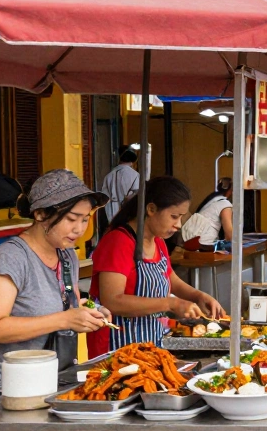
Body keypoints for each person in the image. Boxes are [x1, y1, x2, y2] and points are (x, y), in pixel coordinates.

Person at [0, 170, 112, 408]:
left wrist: (92, 311)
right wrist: (65, 320)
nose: (79, 229)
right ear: (40, 214)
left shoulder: (67, 255)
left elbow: (71, 302)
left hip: (50, 384)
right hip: (0, 391)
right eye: (71, 219)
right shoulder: (10, 258)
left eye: (85, 219)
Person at [91, 176, 223, 356]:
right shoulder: (118, 242)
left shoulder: (158, 242)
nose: (178, 225)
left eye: (181, 217)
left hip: (150, 343)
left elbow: (171, 279)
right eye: (174, 217)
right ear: (151, 209)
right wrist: (171, 303)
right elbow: (112, 300)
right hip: (118, 347)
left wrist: (198, 296)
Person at [179, 177, 234, 250]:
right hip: (203, 243)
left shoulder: (213, 199)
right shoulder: (225, 204)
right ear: (231, 191)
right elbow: (230, 235)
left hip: (188, 238)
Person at [98, 146, 140, 234]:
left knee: (114, 232)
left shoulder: (109, 175)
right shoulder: (135, 175)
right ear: (132, 162)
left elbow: (104, 196)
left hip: (111, 209)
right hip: (128, 209)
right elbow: (136, 194)